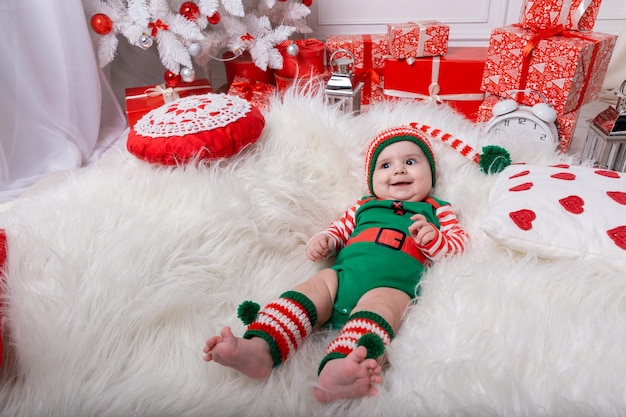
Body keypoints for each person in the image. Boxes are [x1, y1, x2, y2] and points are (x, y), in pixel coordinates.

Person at [202, 125, 468, 402]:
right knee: (314, 287)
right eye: (386, 165)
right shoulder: (364, 205)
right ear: (372, 179)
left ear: (431, 175)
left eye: (410, 162)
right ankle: (261, 348)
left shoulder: (437, 209)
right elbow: (339, 230)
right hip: (342, 276)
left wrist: (433, 239)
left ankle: (340, 368)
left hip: (391, 286)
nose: (399, 170)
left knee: (381, 308)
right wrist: (326, 240)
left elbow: (459, 248)